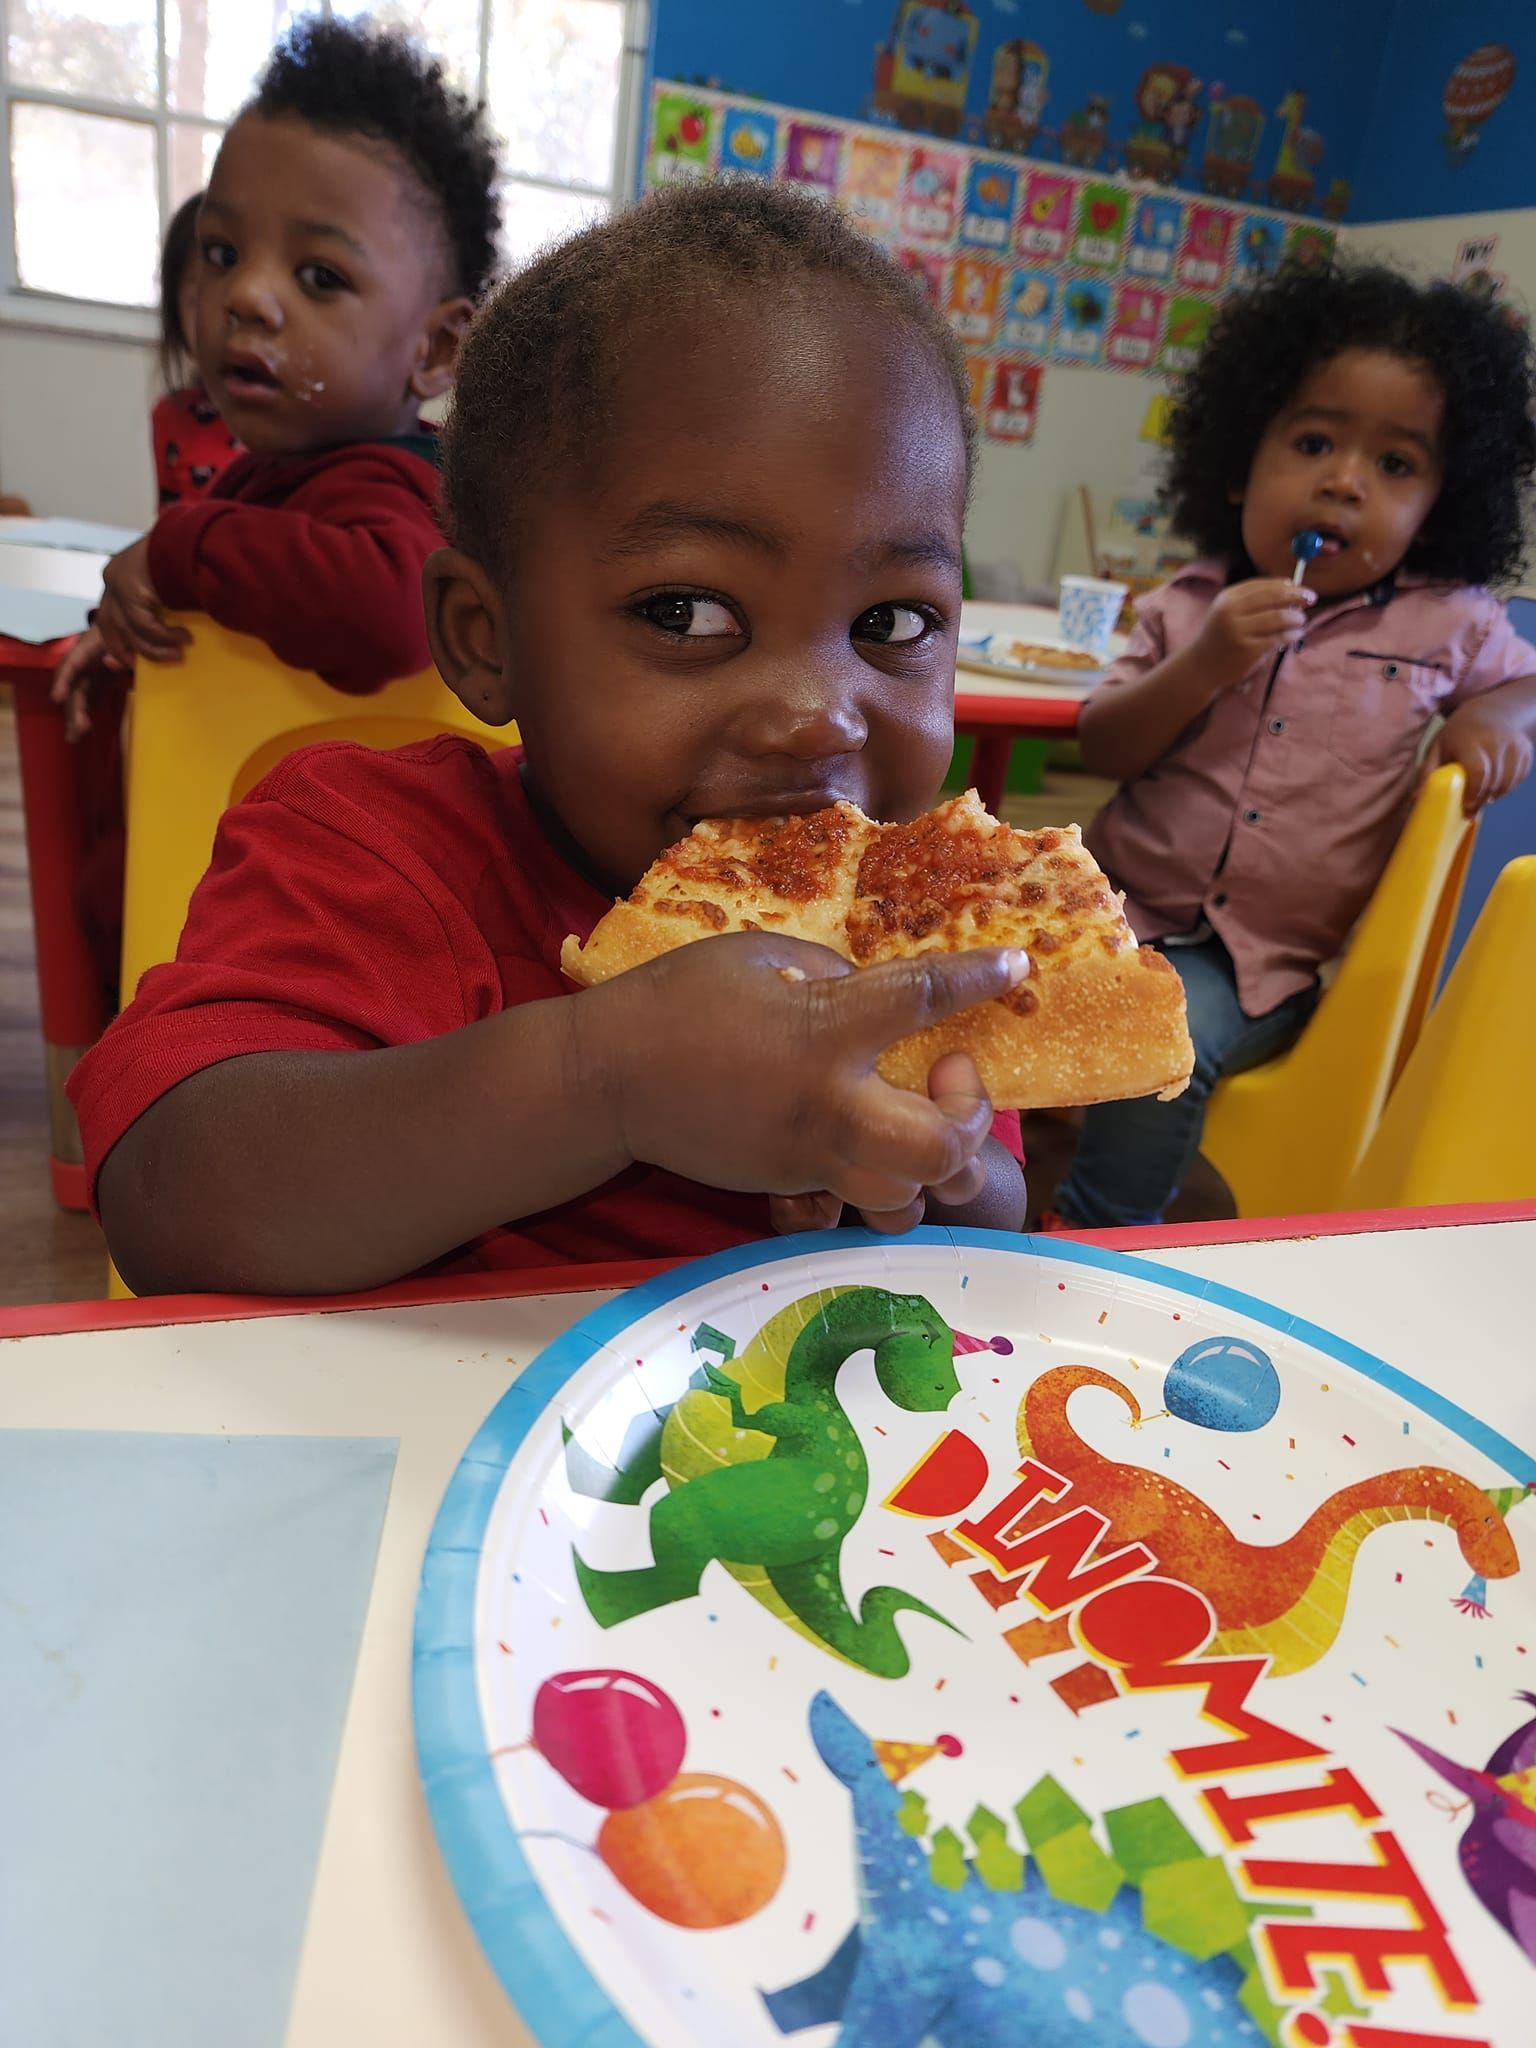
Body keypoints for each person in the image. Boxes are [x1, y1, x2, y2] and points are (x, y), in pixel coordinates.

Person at [69, 178, 1031, 1296]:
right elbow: (166, 1197)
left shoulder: (911, 929)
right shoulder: (366, 848)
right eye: (688, 612)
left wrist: (948, 1172)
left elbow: (996, 1221)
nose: (820, 711)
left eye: (893, 622)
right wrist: (603, 1079)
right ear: (485, 638)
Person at [1049, 262, 1536, 1231]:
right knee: (971, 978)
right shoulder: (1189, 603)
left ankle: (1095, 1231)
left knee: (1164, 1034)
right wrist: (1207, 659)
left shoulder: (1450, 623)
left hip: (1253, 962)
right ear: (1239, 465)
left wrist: (1497, 716)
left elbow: (1526, 679)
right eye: (1313, 441)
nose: (1345, 481)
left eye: (1396, 466)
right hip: (1101, 899)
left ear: (1438, 503)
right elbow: (1105, 743)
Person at [52, 14, 500, 738]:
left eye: (319, 275)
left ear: (434, 352)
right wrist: (138, 624)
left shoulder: (392, 486)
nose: (245, 296)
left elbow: (388, 610)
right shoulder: (283, 473)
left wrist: (174, 552)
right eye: (223, 252)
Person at [152, 190, 242, 509]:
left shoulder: (302, 427)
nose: (220, 324)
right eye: (198, 303)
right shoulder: (171, 415)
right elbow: (166, 532)